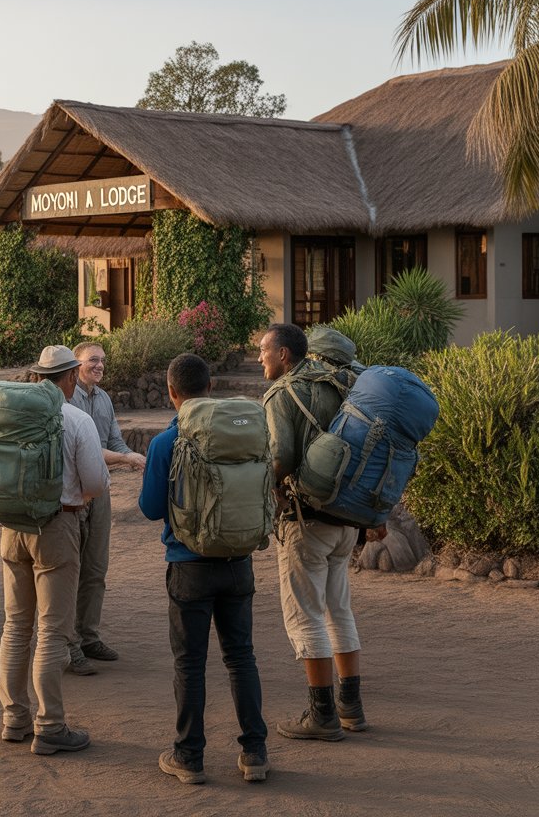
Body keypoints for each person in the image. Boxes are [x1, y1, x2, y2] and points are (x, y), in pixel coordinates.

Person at [139, 353, 269, 784]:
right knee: (241, 658)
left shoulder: (165, 443)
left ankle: (189, 757)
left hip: (188, 566)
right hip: (239, 562)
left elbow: (150, 507)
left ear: (172, 392)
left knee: (190, 664)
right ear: (210, 388)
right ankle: (254, 754)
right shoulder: (241, 437)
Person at [259, 323, 385, 739]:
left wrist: (269, 491)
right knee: (339, 609)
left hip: (306, 519)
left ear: (285, 355)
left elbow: (281, 456)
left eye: (264, 350)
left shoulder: (283, 393)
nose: (260, 357)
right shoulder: (351, 390)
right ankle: (352, 707)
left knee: (306, 615)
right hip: (347, 520)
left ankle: (322, 715)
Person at [0, 345, 109, 755]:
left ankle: (14, 718)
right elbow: (95, 482)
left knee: (15, 627)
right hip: (57, 526)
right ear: (67, 378)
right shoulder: (76, 418)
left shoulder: (11, 414)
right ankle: (50, 725)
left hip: (12, 527)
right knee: (52, 631)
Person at [67, 341, 146, 675]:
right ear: (75, 364)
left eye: (102, 360)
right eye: (92, 360)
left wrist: (137, 459)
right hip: (71, 494)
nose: (99, 366)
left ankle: (88, 637)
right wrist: (127, 459)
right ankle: (68, 645)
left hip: (99, 491)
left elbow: (114, 442)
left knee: (96, 569)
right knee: (70, 570)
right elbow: (87, 450)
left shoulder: (103, 398)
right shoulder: (64, 399)